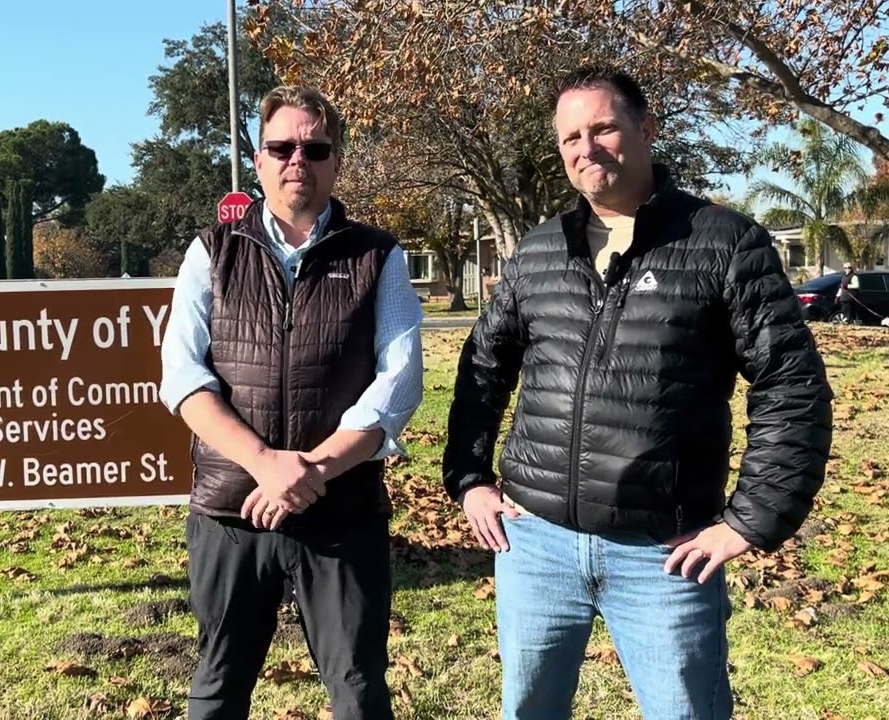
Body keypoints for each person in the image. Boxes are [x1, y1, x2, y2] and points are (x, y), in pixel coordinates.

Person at [441, 64, 833, 720]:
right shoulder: (540, 251)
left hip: (665, 556)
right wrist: (470, 477)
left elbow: (790, 384)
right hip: (535, 545)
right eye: (570, 138)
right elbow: (483, 366)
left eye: (603, 129)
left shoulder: (724, 243)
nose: (586, 148)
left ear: (646, 129)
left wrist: (752, 520)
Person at [159, 84, 424, 720]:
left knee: (359, 691)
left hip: (342, 512)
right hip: (231, 510)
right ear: (259, 160)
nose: (296, 159)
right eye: (281, 147)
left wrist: (311, 471)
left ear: (337, 161)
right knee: (217, 687)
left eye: (315, 148)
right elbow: (183, 378)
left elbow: (398, 382)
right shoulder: (211, 251)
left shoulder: (378, 256)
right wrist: (264, 464)